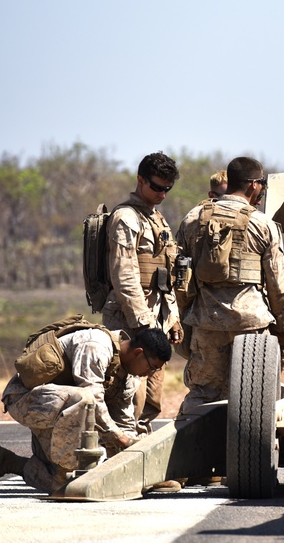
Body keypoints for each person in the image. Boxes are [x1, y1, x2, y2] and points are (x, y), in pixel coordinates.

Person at [0, 325, 171, 496]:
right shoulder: (96, 345)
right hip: (26, 401)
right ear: (138, 353)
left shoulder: (128, 378)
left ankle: (6, 461)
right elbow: (92, 398)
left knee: (59, 484)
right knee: (85, 399)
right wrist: (121, 438)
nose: (150, 374)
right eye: (151, 367)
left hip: (58, 408)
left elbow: (123, 422)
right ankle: (69, 470)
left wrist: (136, 463)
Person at [176, 157, 284, 415]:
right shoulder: (263, 224)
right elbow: (278, 285)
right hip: (250, 327)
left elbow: (180, 278)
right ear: (253, 185)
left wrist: (186, 318)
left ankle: (195, 451)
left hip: (206, 321)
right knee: (254, 403)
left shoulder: (193, 218)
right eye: (262, 183)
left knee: (201, 395)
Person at [102, 152, 183, 435]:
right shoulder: (126, 218)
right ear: (140, 180)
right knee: (127, 396)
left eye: (167, 189)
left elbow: (165, 274)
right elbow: (124, 276)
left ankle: (140, 453)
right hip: (130, 322)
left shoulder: (156, 219)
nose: (162, 194)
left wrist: (171, 318)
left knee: (151, 399)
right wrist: (144, 325)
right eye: (156, 187)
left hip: (155, 318)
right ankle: (118, 457)